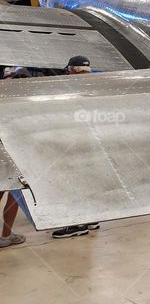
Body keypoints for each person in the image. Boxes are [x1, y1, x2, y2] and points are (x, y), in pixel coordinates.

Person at [52, 56, 100, 239]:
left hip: (74, 143)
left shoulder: (70, 88)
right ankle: (91, 218)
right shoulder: (93, 87)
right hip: (91, 141)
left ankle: (76, 224)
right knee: (88, 180)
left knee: (72, 183)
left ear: (72, 70)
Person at [0, 66, 31, 248]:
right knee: (15, 197)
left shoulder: (4, 97)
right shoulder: (27, 103)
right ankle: (5, 236)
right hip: (16, 154)